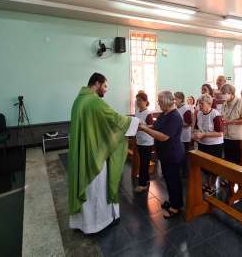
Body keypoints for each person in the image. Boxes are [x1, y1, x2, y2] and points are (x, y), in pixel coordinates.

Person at [68, 72, 139, 234]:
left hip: (83, 151)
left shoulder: (79, 100)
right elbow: (114, 119)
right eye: (105, 86)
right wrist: (135, 121)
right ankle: (97, 223)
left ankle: (82, 223)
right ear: (97, 83)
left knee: (87, 188)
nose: (106, 90)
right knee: (97, 190)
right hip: (94, 154)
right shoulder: (94, 102)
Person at [139, 91, 184, 219]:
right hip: (165, 154)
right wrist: (145, 126)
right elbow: (157, 126)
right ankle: (173, 200)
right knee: (168, 179)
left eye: (159, 101)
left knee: (174, 180)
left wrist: (146, 129)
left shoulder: (175, 117)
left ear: (166, 101)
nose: (158, 103)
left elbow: (164, 137)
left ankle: (176, 207)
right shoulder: (165, 114)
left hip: (173, 154)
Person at [193, 94, 223, 195]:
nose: (199, 105)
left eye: (202, 103)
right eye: (199, 103)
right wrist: (196, 135)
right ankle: (207, 183)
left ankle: (213, 186)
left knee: (213, 166)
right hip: (203, 143)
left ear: (209, 104)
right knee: (204, 166)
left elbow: (220, 133)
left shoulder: (215, 114)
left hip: (215, 145)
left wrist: (204, 134)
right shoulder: (199, 113)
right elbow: (197, 127)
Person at [221, 84, 242, 165]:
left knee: (237, 163)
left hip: (238, 137)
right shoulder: (225, 103)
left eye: (224, 93)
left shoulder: (241, 102)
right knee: (228, 162)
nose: (223, 95)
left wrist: (230, 122)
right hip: (226, 136)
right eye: (222, 93)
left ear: (231, 93)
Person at [134, 92, 154, 193]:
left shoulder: (148, 113)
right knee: (143, 161)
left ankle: (142, 185)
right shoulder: (137, 111)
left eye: (140, 100)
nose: (138, 102)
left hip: (147, 141)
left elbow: (152, 126)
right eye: (137, 100)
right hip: (140, 140)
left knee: (144, 163)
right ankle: (146, 179)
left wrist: (142, 127)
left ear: (145, 101)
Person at [174, 92, 192, 176]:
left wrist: (178, 125)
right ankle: (180, 170)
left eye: (176, 99)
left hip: (185, 136)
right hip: (178, 135)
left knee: (184, 155)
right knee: (179, 154)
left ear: (181, 99)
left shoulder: (186, 109)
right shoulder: (176, 108)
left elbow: (189, 123)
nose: (174, 100)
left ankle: (185, 172)